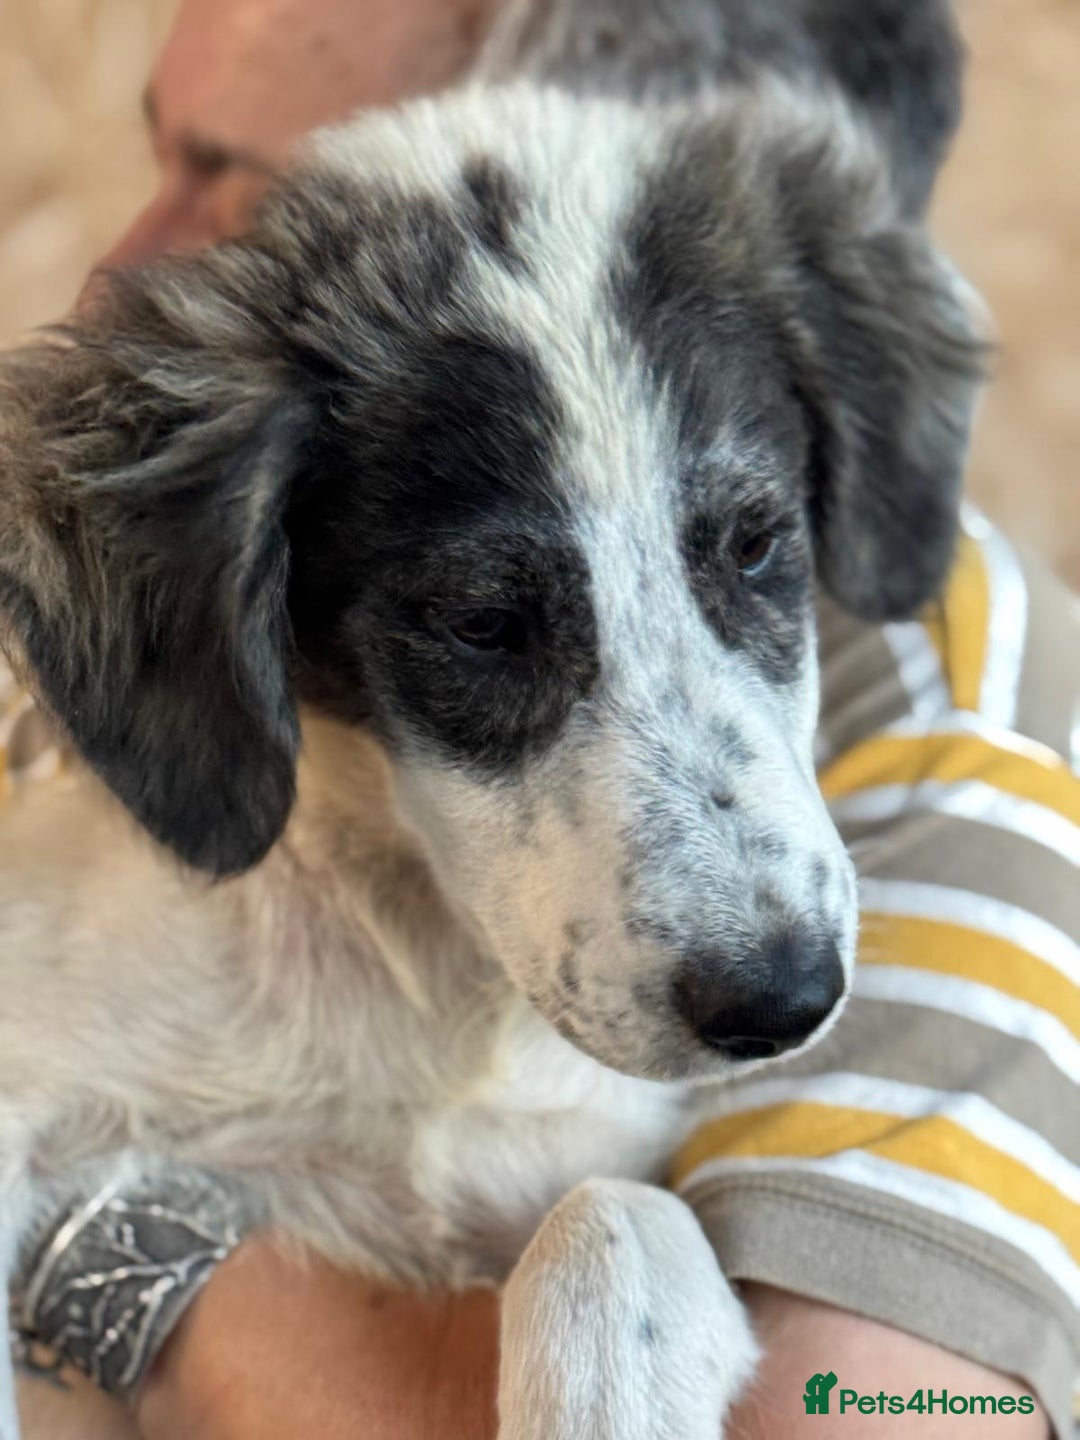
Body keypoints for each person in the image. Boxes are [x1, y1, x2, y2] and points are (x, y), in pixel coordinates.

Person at [6, 2, 1078, 1437]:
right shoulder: (203, 655)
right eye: (489, 627)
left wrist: (117, 1262)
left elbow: (881, 1419)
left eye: (240, 189)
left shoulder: (978, 732)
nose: (123, 266)